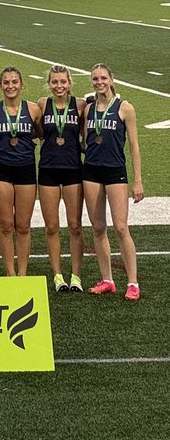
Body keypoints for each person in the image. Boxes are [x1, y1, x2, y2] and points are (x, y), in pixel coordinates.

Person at [81, 63, 144, 299]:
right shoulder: (88, 109)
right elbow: (85, 142)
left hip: (115, 171)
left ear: (111, 79)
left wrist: (137, 181)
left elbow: (135, 148)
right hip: (91, 172)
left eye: (103, 78)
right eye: (95, 79)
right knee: (98, 228)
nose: (99, 82)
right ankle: (107, 279)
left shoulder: (125, 108)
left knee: (120, 227)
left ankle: (132, 282)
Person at [0, 68, 43, 277]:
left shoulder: (34, 109)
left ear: (22, 84)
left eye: (14, 82)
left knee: (23, 225)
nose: (10, 86)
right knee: (5, 224)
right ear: (0, 85)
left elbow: (40, 132)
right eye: (6, 82)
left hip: (26, 169)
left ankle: (22, 273)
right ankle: (10, 273)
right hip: (1, 169)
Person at [37, 64, 85, 293]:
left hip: (73, 169)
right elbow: (36, 132)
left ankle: (76, 275)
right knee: (52, 226)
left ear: (69, 83)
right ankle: (58, 275)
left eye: (63, 82)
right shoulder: (42, 104)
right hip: (47, 169)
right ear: (49, 83)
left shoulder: (81, 105)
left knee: (75, 225)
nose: (59, 86)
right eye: (55, 82)